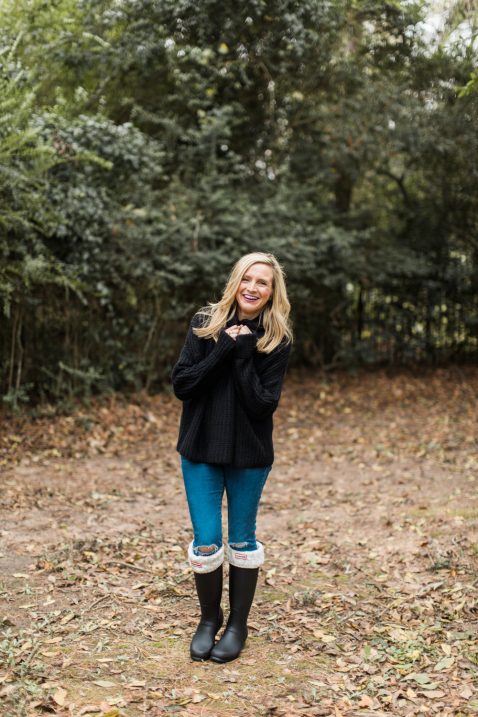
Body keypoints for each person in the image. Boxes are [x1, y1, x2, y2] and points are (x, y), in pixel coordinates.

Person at [171, 251, 293, 663]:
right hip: (201, 447)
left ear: (272, 291)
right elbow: (183, 385)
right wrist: (223, 348)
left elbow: (262, 405)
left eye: (263, 282)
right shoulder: (205, 324)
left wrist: (244, 358)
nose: (253, 287)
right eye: (247, 279)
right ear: (235, 281)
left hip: (249, 454)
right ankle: (209, 619)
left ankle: (237, 624)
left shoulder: (277, 340)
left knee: (242, 539)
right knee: (207, 543)